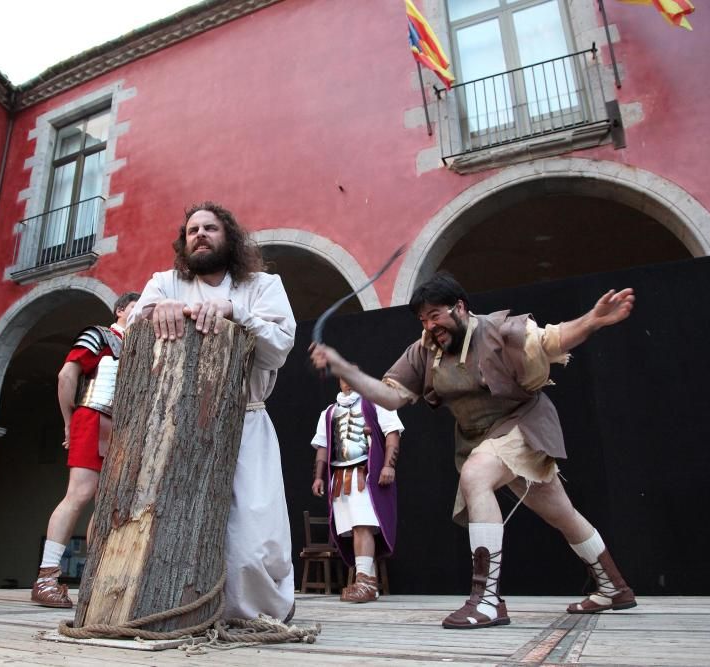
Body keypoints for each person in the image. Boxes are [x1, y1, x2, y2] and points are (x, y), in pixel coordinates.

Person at [310, 272, 637, 628]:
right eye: (423, 319)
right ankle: (613, 587)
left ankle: (487, 600)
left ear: (460, 307)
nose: (430, 325)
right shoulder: (424, 351)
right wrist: (343, 367)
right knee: (561, 512)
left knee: (476, 474)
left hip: (523, 423)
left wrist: (593, 319)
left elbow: (551, 340)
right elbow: (392, 397)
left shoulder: (500, 331)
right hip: (481, 439)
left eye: (435, 315)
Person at [129, 201, 296, 622]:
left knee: (252, 534)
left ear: (230, 237)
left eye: (210, 228)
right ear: (183, 243)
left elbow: (278, 348)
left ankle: (249, 615)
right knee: (171, 523)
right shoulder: (164, 282)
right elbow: (130, 332)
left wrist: (234, 312)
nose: (200, 234)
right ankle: (178, 611)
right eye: (192, 230)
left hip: (246, 419)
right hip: (175, 426)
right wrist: (156, 312)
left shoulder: (261, 285)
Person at [31, 291, 141, 608]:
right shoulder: (100, 336)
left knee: (106, 502)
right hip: (93, 416)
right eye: (136, 306)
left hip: (122, 427)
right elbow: (67, 375)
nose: (141, 312)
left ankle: (94, 579)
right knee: (80, 493)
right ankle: (46, 577)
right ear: (121, 310)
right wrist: (69, 421)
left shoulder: (141, 346)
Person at [311, 373, 403, 603]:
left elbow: (392, 434)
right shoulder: (329, 412)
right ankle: (368, 582)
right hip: (341, 477)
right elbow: (323, 447)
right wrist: (319, 477)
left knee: (363, 525)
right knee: (353, 529)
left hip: (365, 473)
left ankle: (363, 582)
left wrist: (388, 466)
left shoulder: (376, 402)